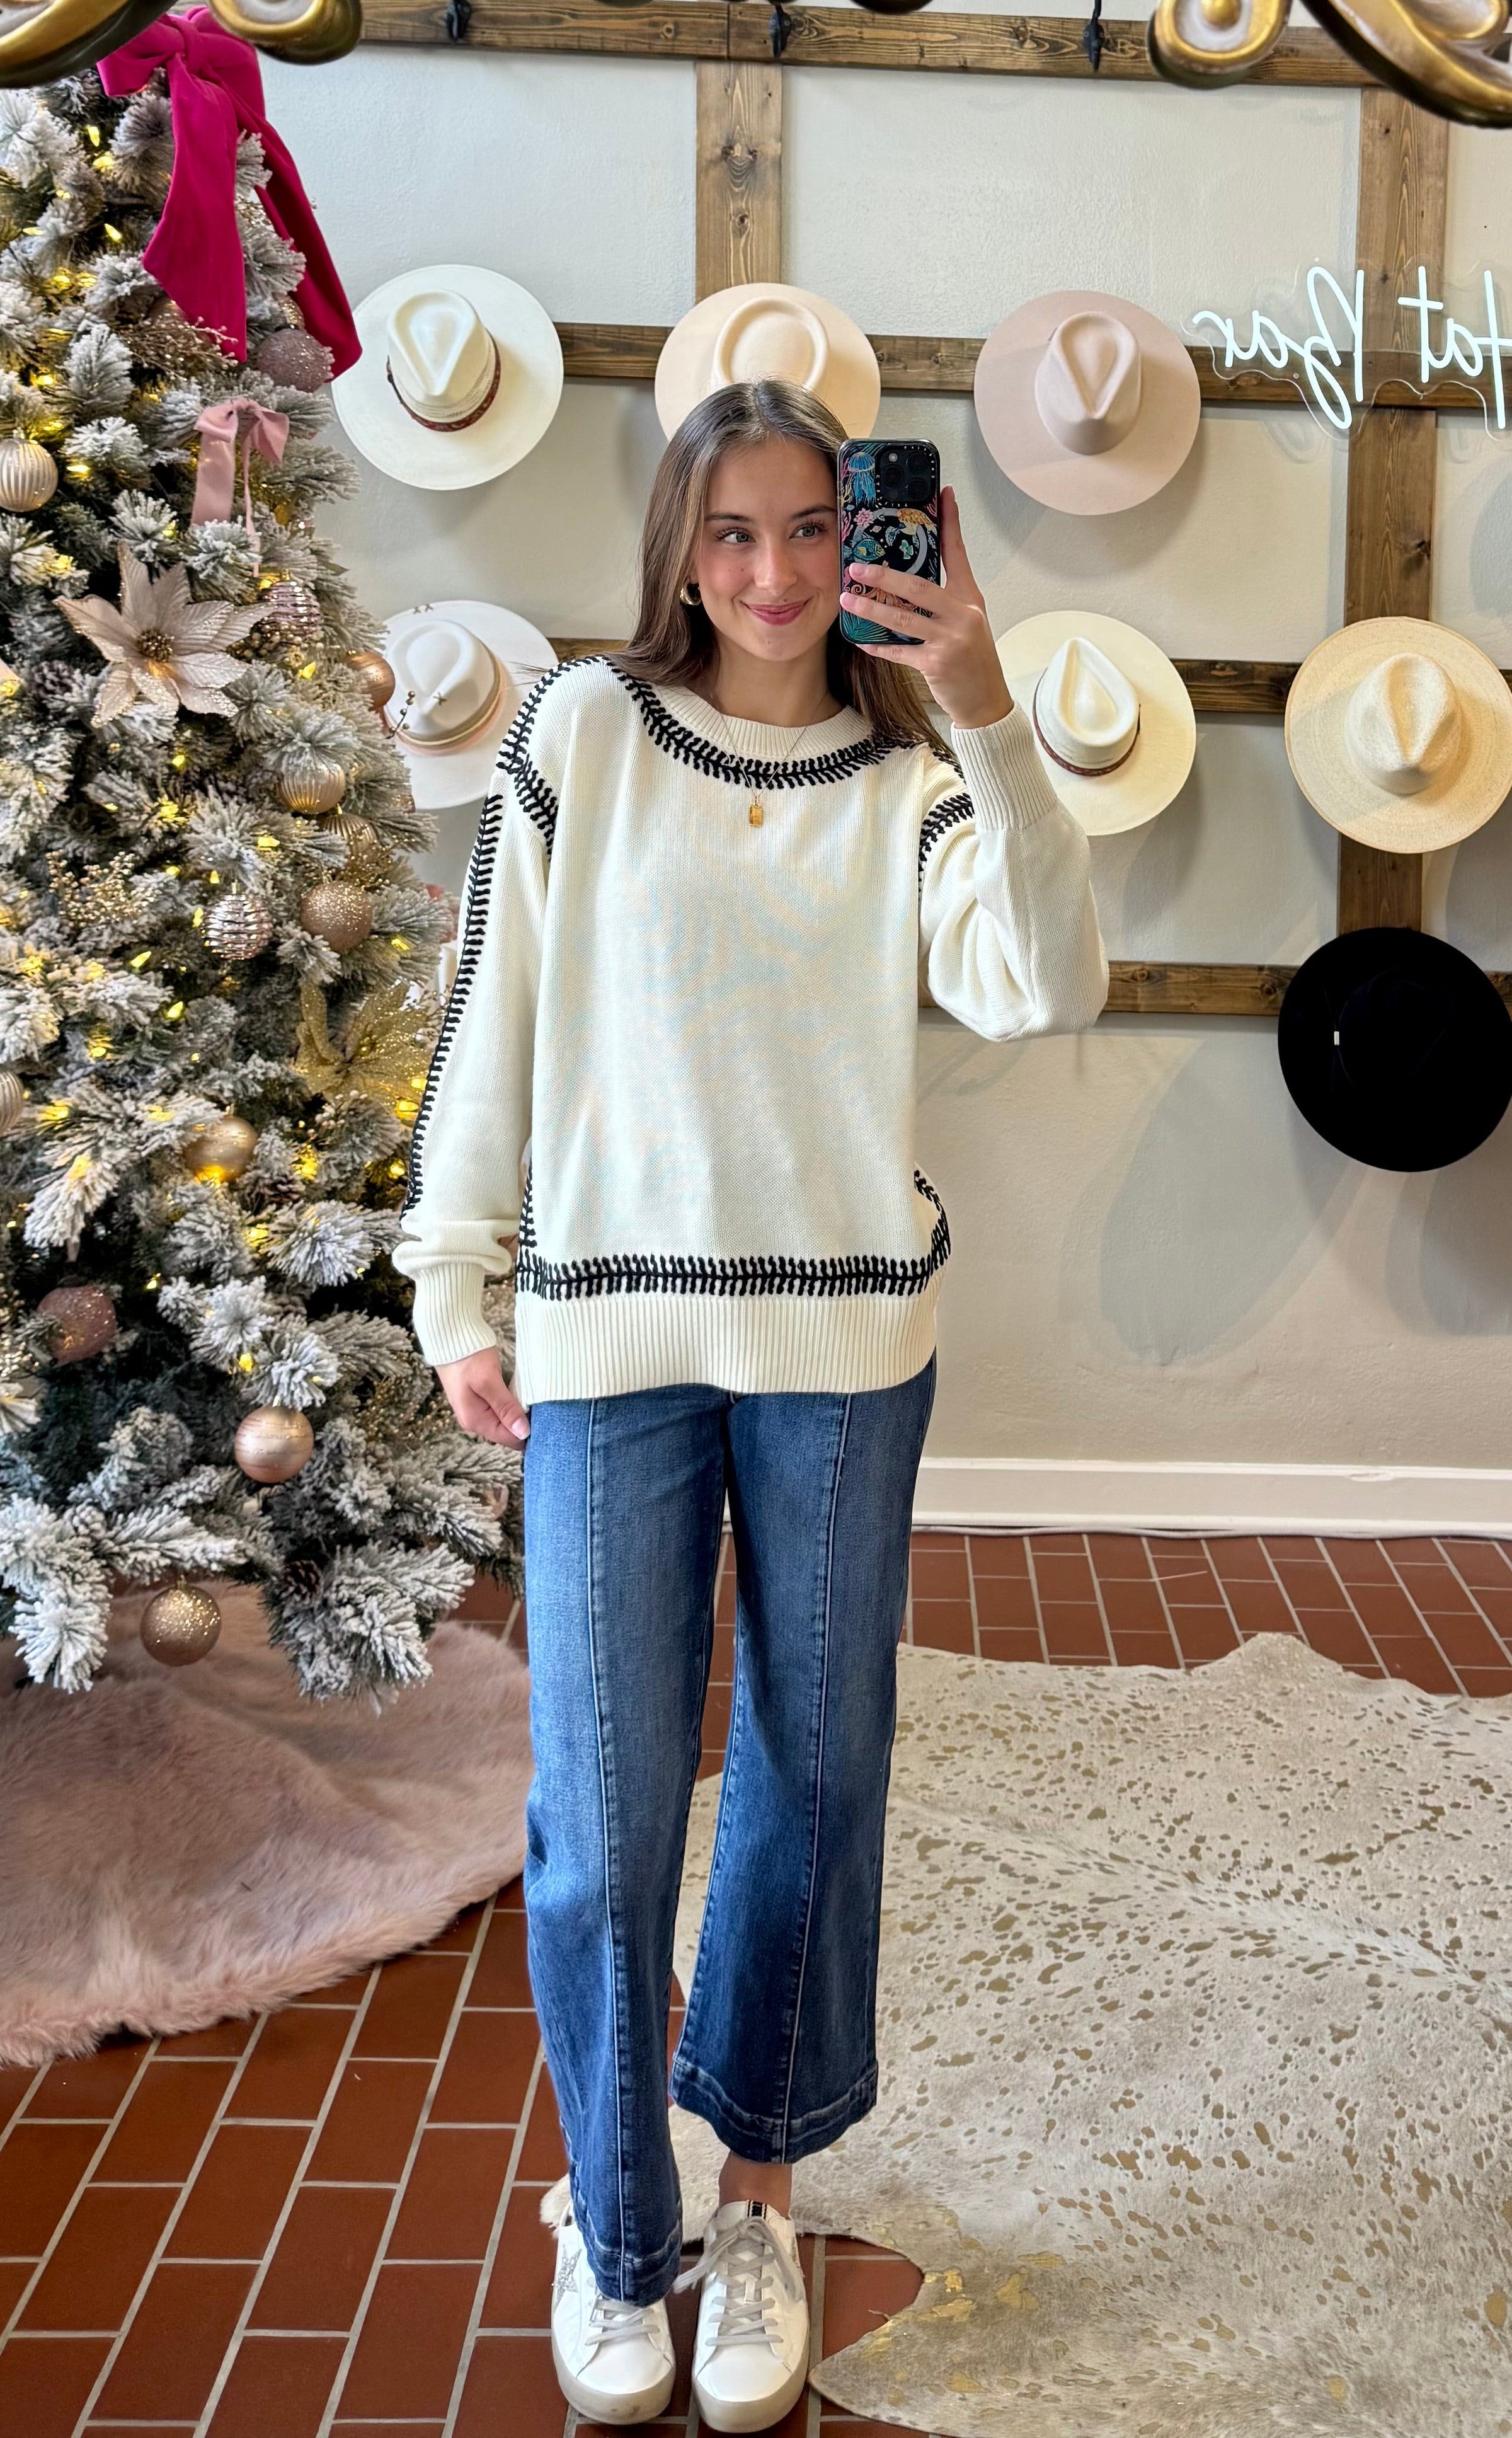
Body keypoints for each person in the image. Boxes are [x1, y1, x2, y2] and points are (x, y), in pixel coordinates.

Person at [392, 379, 1108, 2430]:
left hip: (845, 1352)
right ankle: (620, 2229)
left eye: (817, 527)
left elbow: (1045, 983)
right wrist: (455, 1276)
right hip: (610, 1336)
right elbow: (492, 1011)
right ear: (679, 550)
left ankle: (761, 2200)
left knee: (815, 1780)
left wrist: (986, 700)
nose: (780, 572)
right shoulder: (583, 734)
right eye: (734, 532)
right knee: (602, 1820)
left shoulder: (915, 777)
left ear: (878, 539)